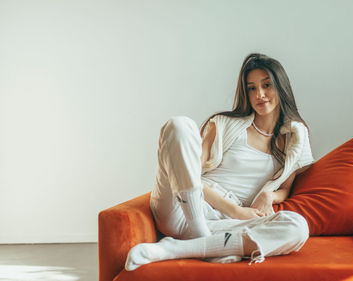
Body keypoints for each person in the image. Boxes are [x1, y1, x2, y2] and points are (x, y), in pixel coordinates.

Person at [125, 53, 314, 271]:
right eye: (251, 88)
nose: (260, 94)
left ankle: (174, 249)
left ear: (281, 87)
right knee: (179, 125)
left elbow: (285, 189)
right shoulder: (224, 124)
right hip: (184, 207)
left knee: (297, 226)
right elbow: (189, 173)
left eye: (267, 85)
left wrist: (268, 195)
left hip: (225, 224)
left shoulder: (294, 138)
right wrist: (234, 210)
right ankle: (200, 235)